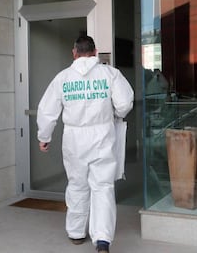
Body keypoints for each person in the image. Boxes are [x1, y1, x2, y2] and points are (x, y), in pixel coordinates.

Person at [36, 35, 134, 253]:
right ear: (95, 52)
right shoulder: (110, 73)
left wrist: (45, 137)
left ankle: (76, 232)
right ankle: (102, 240)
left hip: (74, 138)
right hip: (102, 135)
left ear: (74, 52)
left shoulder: (63, 78)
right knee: (103, 187)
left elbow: (47, 110)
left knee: (77, 184)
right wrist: (116, 114)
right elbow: (125, 103)